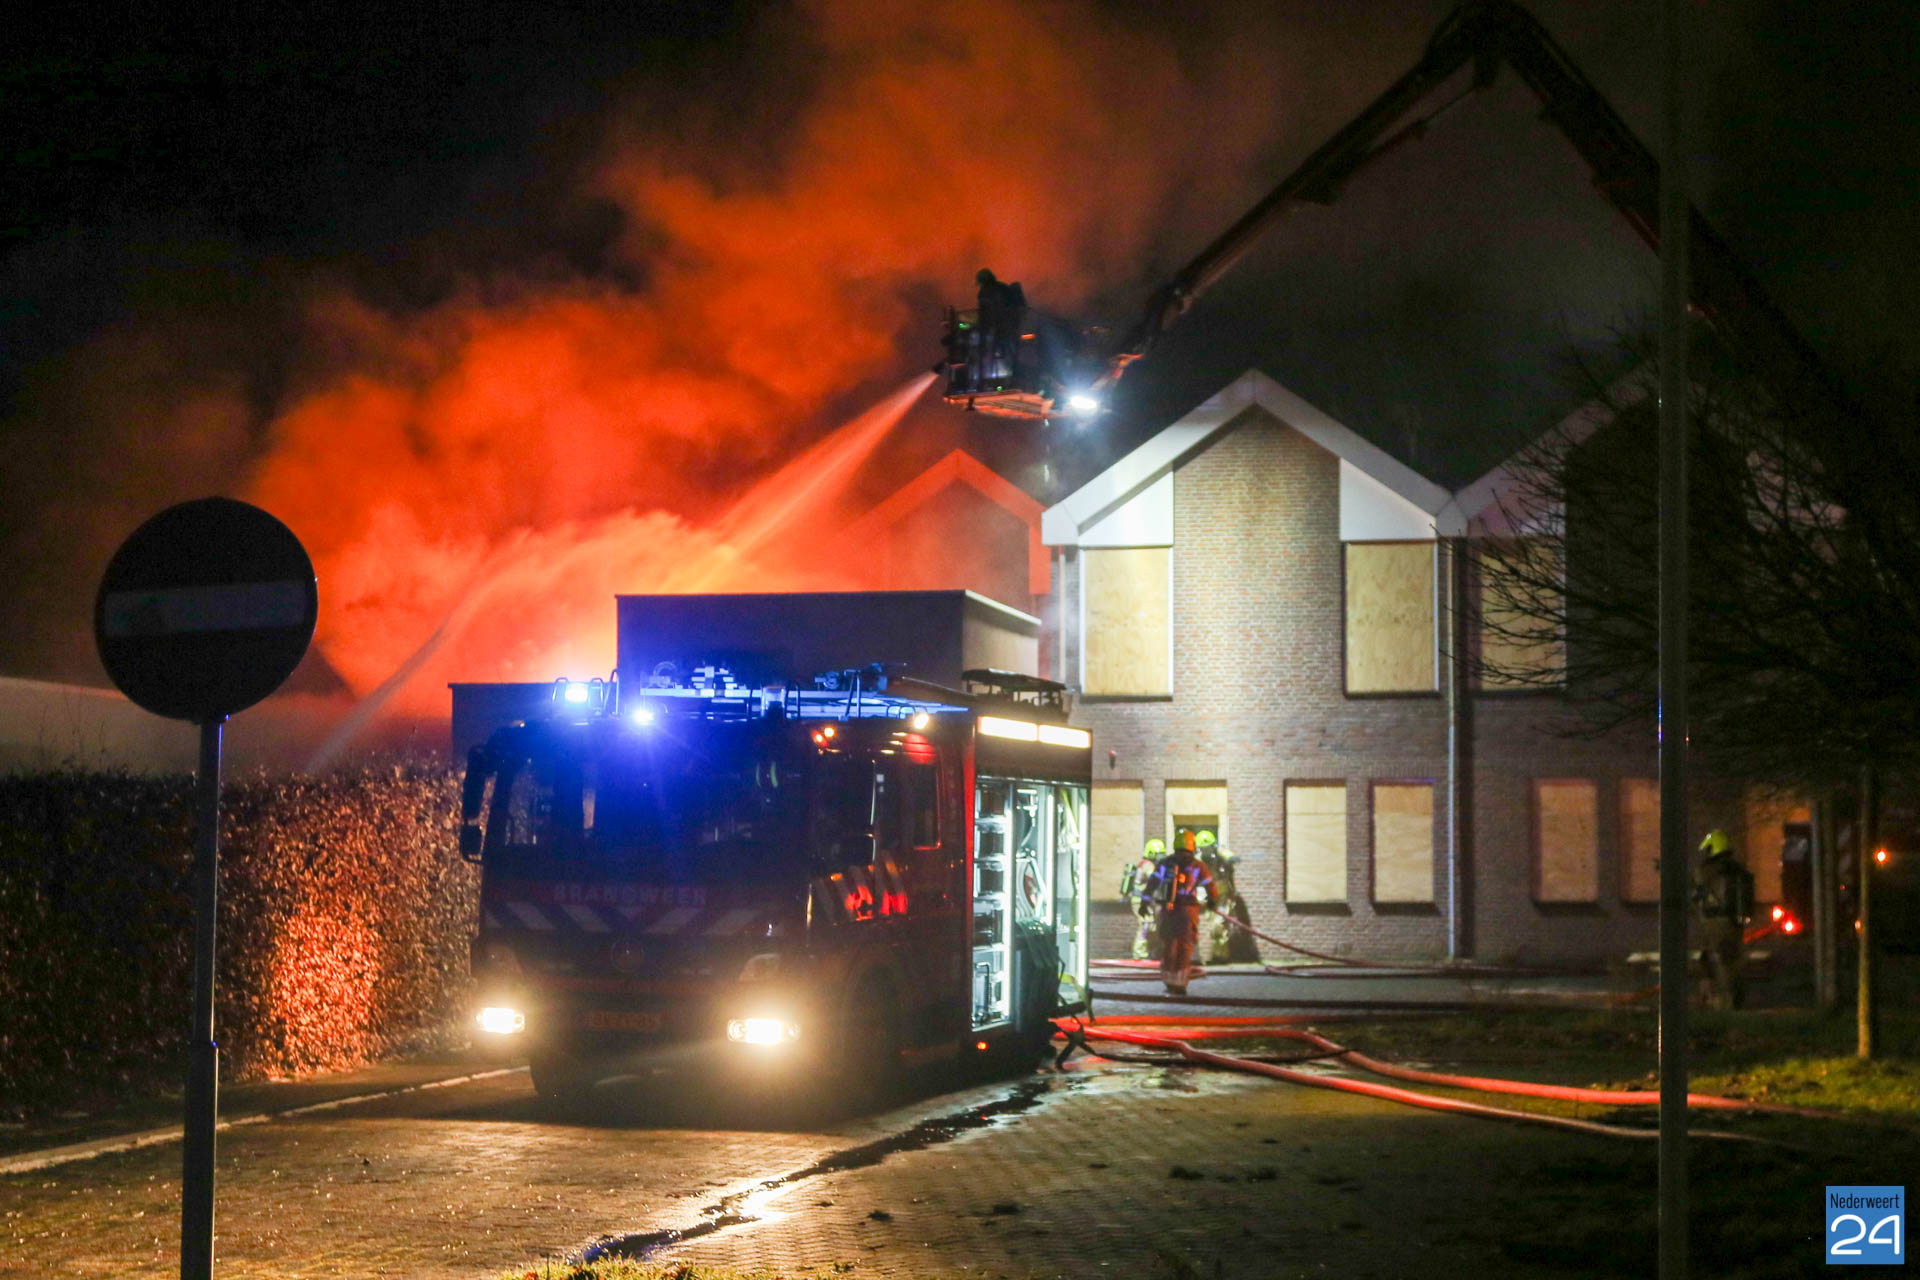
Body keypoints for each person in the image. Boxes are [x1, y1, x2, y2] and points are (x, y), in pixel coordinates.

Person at [1145, 831, 1215, 995]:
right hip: (1188, 911)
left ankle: (1169, 983)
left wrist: (1144, 902)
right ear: (1192, 846)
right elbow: (1210, 886)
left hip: (1169, 910)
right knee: (1185, 948)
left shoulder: (1165, 863)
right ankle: (1180, 984)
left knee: (1170, 946)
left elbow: (1152, 884)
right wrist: (1213, 901)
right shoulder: (1198, 866)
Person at [1692, 828, 1754, 1010]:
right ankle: (1733, 1000)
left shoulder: (1707, 871)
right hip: (1734, 923)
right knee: (1732, 960)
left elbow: (1695, 892)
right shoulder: (1738, 870)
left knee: (1714, 961)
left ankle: (1723, 1004)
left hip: (1714, 922)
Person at [1196, 831, 1254, 964]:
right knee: (1214, 928)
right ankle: (1218, 956)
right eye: (1203, 849)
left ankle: (1221, 957)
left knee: (1219, 924)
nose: (1206, 851)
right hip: (1210, 896)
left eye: (1208, 848)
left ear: (1213, 846)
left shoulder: (1220, 853)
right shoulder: (1199, 859)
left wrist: (1230, 858)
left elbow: (1230, 857)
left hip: (1223, 896)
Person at [1120, 838, 1166, 960]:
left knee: (1151, 925)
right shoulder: (1147, 865)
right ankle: (1139, 954)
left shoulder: (1146, 864)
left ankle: (1150, 951)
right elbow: (1155, 878)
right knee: (1145, 925)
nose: (1161, 857)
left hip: (1143, 900)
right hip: (1139, 901)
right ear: (1151, 853)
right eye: (1159, 854)